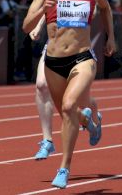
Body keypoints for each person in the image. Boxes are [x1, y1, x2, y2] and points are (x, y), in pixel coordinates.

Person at [22, 0, 115, 188]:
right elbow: (26, 26)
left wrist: (111, 38)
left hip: (82, 57)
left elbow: (106, 10)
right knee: (69, 114)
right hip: (53, 60)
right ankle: (91, 125)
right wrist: (43, 9)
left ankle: (64, 167)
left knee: (69, 105)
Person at [28, 14, 102, 161]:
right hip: (54, 46)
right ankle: (47, 141)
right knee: (42, 85)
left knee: (78, 100)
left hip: (78, 48)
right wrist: (39, 26)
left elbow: (95, 11)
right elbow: (49, 7)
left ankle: (94, 117)